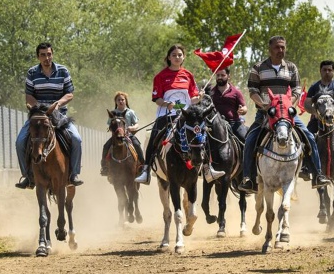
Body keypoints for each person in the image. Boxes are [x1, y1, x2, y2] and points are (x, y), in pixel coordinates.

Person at [238, 36, 331, 194]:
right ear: (270, 49)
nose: (280, 50)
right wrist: (265, 105)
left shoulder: (291, 68)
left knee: (309, 136)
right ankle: (248, 178)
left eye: (282, 47)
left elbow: (296, 90)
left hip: (288, 115)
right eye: (277, 47)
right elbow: (253, 91)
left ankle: (317, 174)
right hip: (265, 114)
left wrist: (288, 103)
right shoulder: (258, 68)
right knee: (250, 140)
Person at [135, 44, 225, 185]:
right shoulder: (160, 76)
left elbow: (192, 99)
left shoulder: (188, 75)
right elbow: (156, 98)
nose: (177, 57)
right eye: (174, 55)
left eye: (179, 55)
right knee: (154, 136)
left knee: (202, 133)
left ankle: (208, 168)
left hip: (186, 116)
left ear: (183, 57)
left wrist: (199, 97)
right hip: (166, 115)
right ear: (169, 57)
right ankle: (146, 170)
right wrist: (166, 103)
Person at [15, 42, 84, 189]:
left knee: (77, 139)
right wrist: (40, 109)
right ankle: (27, 176)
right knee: (20, 142)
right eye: (43, 55)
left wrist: (57, 104)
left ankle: (73, 174)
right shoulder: (32, 73)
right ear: (38, 57)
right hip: (38, 116)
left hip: (59, 114)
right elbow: (29, 97)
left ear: (52, 54)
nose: (46, 58)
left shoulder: (63, 71)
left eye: (49, 54)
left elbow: (70, 94)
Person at [100, 91, 145, 176]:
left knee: (137, 144)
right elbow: (109, 125)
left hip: (128, 135)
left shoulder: (130, 112)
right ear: (116, 102)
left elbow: (137, 124)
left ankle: (142, 166)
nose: (121, 101)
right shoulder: (112, 113)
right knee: (106, 146)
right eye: (118, 100)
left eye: (122, 99)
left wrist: (132, 128)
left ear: (126, 101)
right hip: (116, 136)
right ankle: (104, 166)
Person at [209, 67, 248, 142]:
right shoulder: (211, 92)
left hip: (234, 123)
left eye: (223, 75)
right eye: (218, 75)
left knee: (245, 140)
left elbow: (244, 107)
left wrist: (243, 110)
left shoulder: (236, 92)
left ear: (228, 76)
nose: (220, 77)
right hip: (216, 125)